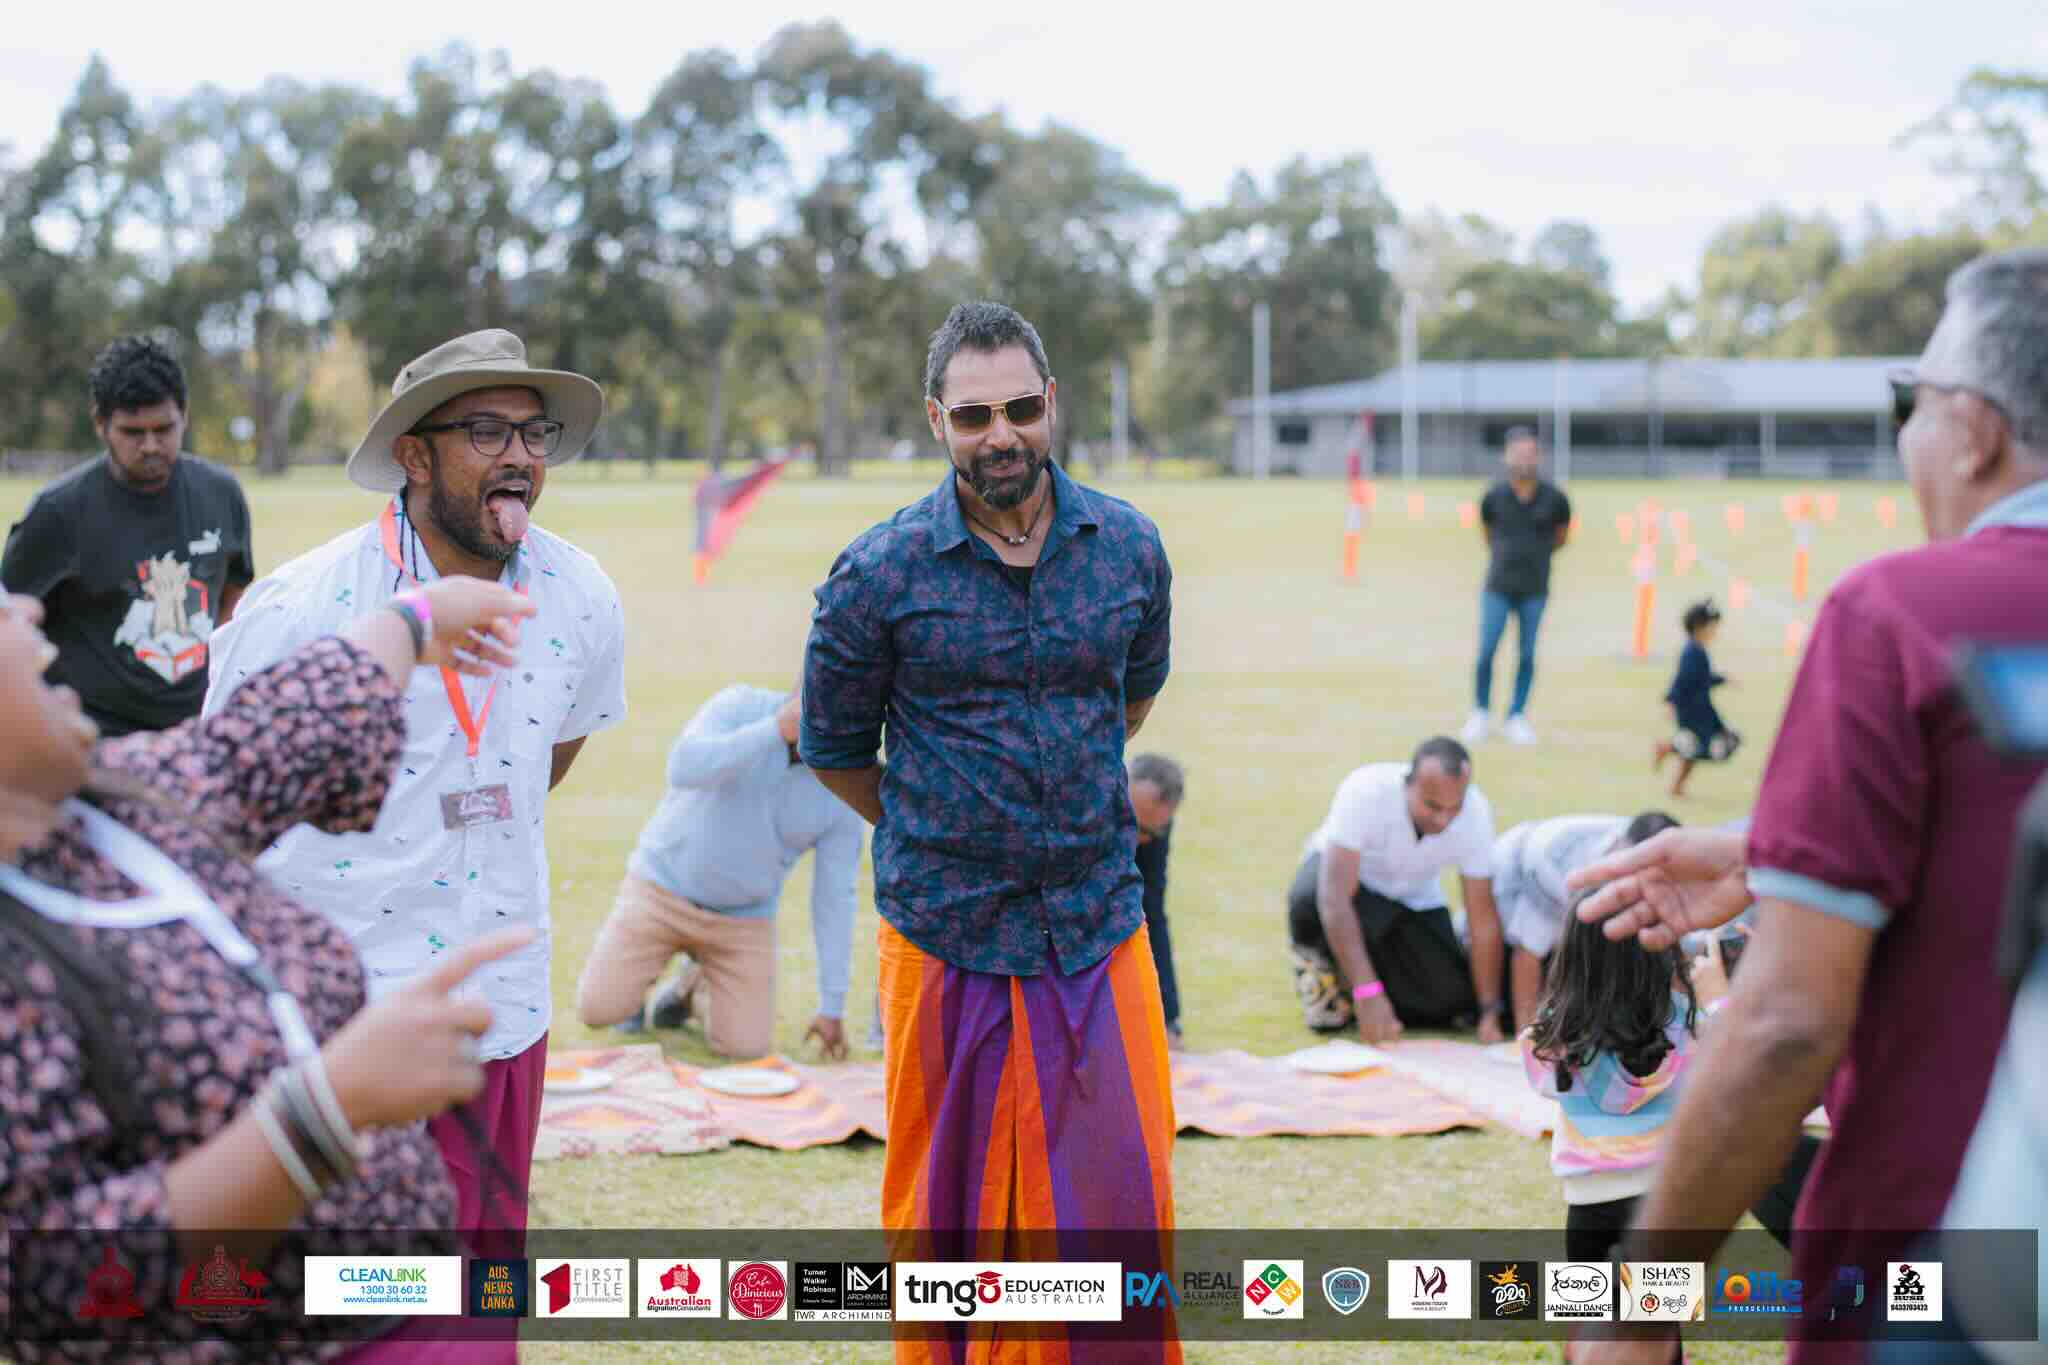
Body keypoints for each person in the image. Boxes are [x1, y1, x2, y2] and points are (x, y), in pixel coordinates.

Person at [1568, 247, 2048, 1365]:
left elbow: (1785, 1021)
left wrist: (1638, 1311)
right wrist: (1784, 852)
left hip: (1952, 1270)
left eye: (1908, 404)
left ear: (1971, 429)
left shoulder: (1898, 613)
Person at [0, 577, 541, 1363]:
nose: (29, 608)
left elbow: (289, 724)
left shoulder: (112, 808)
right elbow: (51, 1278)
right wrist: (322, 1110)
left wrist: (412, 618)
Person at [801, 301, 1177, 1361]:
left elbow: (1128, 703)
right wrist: (943, 822)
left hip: (1097, 925)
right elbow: (834, 747)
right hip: (942, 930)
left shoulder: (1128, 551)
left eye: (1019, 407)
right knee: (946, 1221)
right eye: (974, 416)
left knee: (1115, 1201)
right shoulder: (875, 575)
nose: (999, 434)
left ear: (1050, 404)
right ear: (936, 420)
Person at [204, 329, 626, 1247]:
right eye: (485, 430)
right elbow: (219, 813)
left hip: (503, 1014)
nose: (518, 455)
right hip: (343, 1031)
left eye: (533, 433)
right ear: (412, 454)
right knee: (346, 1308)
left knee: (477, 1300)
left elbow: (545, 762)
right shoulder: (300, 608)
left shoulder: (582, 596)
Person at [574, 681, 863, 1061]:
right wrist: (772, 731)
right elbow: (683, 766)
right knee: (597, 1009)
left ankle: (690, 990)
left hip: (742, 922)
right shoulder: (738, 706)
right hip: (661, 892)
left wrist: (832, 1006)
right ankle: (636, 995)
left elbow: (834, 900)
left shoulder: (842, 788)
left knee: (746, 1049)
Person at [1, 335, 253, 738]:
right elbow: (7, 622)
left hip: (196, 732)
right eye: (132, 431)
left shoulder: (221, 493)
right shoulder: (57, 513)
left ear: (184, 415)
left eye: (164, 428)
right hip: (95, 740)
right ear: (100, 423)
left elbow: (234, 591)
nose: (151, 445)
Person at [1524, 880, 1703, 1365]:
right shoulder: (1686, 1023)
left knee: (1589, 1324)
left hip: (1587, 1201)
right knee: (1662, 1327)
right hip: (1661, 1200)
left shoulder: (1554, 1031)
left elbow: (1540, 1083)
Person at [1286, 736, 1507, 1044]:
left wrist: (1489, 1011)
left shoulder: (1477, 814)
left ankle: (1367, 985)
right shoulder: (1365, 790)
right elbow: (1334, 898)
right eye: (1432, 806)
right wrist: (1367, 991)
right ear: (1409, 784)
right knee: (1308, 898)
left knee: (1449, 1001)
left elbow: (1481, 919)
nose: (1443, 818)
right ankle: (1330, 982)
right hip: (1352, 895)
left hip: (1411, 902)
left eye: (1453, 808)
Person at [1491, 811, 1678, 1030]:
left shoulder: (1654, 848)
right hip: (1511, 878)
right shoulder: (1563, 867)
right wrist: (1528, 1036)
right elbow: (1527, 952)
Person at [1463, 426, 1572, 746]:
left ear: (1538, 457)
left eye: (1530, 453)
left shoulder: (1555, 498)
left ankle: (1516, 716)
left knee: (1526, 654)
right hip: (1497, 586)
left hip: (1535, 589)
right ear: (1507, 455)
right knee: (1487, 650)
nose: (1524, 459)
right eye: (1518, 452)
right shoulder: (1494, 496)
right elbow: (1486, 533)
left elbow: (1562, 537)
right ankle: (1480, 712)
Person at [1653, 599, 1740, 797]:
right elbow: (1682, 681)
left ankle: (1672, 767)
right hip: (1693, 711)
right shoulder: (1692, 652)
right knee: (1700, 747)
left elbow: (1702, 679)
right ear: (1700, 627)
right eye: (1712, 627)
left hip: (1702, 709)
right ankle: (1669, 756)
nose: (1715, 632)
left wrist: (1723, 679)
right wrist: (1671, 702)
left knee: (1693, 749)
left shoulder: (1698, 650)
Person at [1130, 752, 1187, 1049]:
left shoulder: (1155, 829)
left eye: (1149, 832)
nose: (1139, 839)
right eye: (1133, 825)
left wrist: (1169, 1017)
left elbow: (1152, 915)